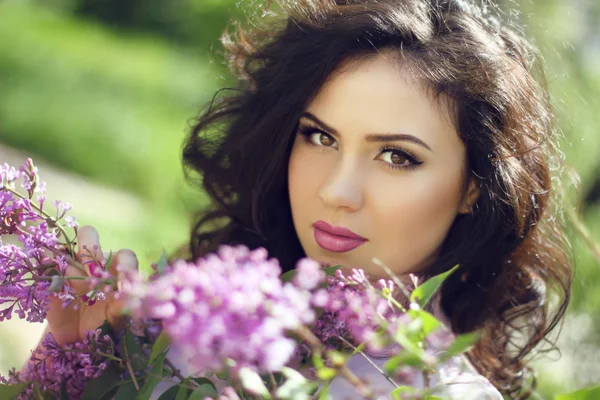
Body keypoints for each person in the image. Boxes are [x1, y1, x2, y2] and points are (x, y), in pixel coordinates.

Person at [37, 0, 573, 399]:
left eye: (397, 157)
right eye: (320, 137)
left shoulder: (441, 392)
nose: (335, 192)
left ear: (473, 187)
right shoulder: (193, 327)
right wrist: (71, 356)